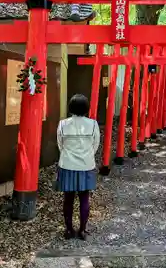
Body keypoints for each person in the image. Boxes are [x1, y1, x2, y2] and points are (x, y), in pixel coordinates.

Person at [56, 94, 100, 240]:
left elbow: (60, 144)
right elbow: (95, 145)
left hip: (67, 165)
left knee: (68, 199)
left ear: (70, 107)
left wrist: (69, 155)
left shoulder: (63, 124)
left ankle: (68, 230)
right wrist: (86, 155)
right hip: (86, 165)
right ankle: (82, 230)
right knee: (84, 198)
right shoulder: (93, 124)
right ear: (86, 108)